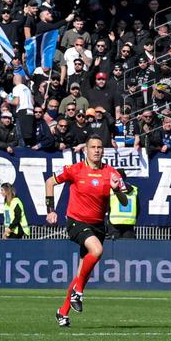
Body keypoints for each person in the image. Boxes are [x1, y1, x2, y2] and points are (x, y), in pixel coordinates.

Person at [45, 136, 129, 327]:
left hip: (98, 225)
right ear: (86, 150)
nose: (97, 150)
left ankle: (63, 312)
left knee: (82, 273)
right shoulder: (74, 170)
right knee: (97, 251)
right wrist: (50, 210)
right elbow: (50, 182)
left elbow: (124, 201)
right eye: (93, 147)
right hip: (76, 222)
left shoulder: (111, 173)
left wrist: (117, 190)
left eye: (100, 147)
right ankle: (78, 292)